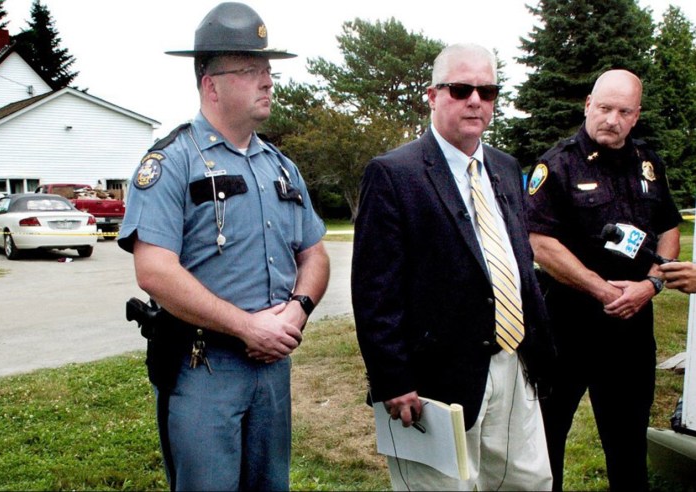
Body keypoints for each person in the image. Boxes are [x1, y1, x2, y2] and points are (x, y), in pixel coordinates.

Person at [117, 3, 330, 490]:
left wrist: (297, 310)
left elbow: (314, 252)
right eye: (251, 70)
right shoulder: (171, 163)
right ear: (210, 84)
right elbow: (154, 271)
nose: (268, 81)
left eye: (268, 70)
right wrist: (245, 326)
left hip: (272, 366)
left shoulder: (280, 166)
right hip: (203, 366)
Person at [352, 43, 554, 491]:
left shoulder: (504, 167)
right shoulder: (393, 174)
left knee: (530, 482)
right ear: (432, 95)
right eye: (461, 89)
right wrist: (393, 379)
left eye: (488, 90)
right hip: (432, 384)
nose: (476, 101)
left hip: (512, 365)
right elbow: (374, 292)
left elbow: (518, 261)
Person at [526, 69, 682, 491]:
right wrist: (602, 289)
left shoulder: (649, 164)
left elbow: (669, 229)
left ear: (636, 116)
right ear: (588, 106)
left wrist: (650, 285)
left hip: (631, 327)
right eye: (605, 108)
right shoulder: (555, 164)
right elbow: (540, 242)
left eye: (623, 111)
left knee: (628, 443)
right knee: (546, 440)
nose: (612, 119)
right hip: (566, 326)